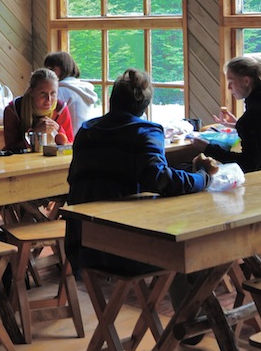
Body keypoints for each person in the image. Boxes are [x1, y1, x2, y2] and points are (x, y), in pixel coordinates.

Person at [66, 68, 218, 276]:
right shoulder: (145, 131)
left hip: (80, 243)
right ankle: (191, 308)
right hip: (125, 248)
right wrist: (202, 176)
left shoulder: (86, 130)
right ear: (145, 106)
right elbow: (158, 179)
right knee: (200, 247)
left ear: (112, 100)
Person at [191, 54, 261, 173]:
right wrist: (239, 125)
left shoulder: (256, 114)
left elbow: (248, 164)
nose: (228, 87)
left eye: (231, 81)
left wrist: (208, 148)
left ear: (246, 81)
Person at [3, 68, 74, 152]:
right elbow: (12, 148)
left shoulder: (60, 109)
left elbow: (70, 144)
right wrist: (35, 133)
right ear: (31, 91)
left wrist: (58, 128)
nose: (49, 99)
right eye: (43, 93)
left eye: (53, 93)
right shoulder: (14, 110)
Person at [44, 50, 98, 133]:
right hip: (85, 137)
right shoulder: (84, 88)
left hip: (67, 139)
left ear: (63, 68)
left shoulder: (60, 91)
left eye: (51, 69)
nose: (48, 73)